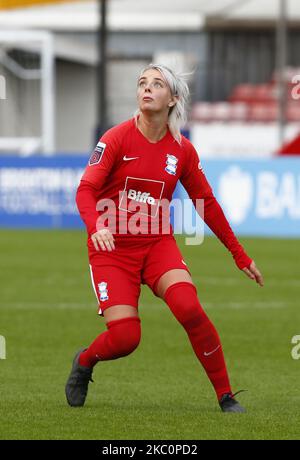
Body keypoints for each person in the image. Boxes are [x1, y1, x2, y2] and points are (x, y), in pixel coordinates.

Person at [65, 63, 264, 412]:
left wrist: (239, 254)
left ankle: (225, 396)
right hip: (112, 250)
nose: (146, 88)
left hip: (157, 244)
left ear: (172, 98)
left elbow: (207, 205)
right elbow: (85, 190)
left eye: (156, 84)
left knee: (189, 307)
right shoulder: (114, 138)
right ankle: (84, 361)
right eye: (142, 82)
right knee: (127, 339)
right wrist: (97, 225)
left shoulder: (182, 150)